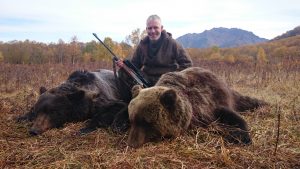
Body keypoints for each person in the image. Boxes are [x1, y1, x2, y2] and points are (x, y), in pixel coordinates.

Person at [130, 14, 193, 86]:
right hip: (146, 82)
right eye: (150, 28)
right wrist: (123, 66)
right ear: (146, 29)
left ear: (161, 28)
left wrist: (173, 77)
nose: (152, 31)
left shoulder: (172, 43)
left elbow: (187, 64)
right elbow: (134, 65)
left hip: (167, 83)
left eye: (155, 27)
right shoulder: (142, 45)